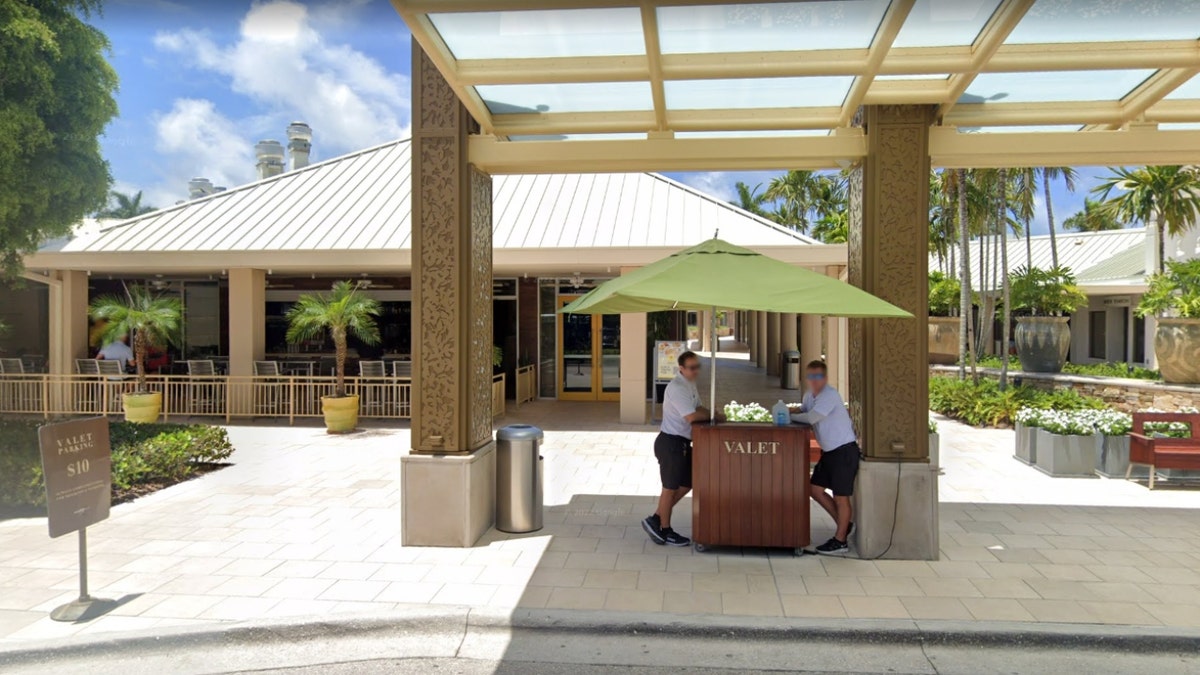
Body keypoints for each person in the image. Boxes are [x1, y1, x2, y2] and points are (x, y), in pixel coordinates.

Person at [791, 360, 860, 556]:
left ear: (826, 378)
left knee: (841, 497)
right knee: (815, 489)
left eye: (819, 376)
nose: (815, 380)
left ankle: (840, 541)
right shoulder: (809, 395)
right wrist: (789, 411)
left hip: (844, 450)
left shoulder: (829, 395)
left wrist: (790, 417)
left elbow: (812, 418)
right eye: (811, 376)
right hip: (829, 452)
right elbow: (804, 411)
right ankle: (844, 526)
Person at [642, 350, 709, 547]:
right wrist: (714, 416)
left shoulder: (690, 384)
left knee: (688, 481)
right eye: (691, 368)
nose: (696, 371)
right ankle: (665, 529)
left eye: (698, 367)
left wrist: (710, 412)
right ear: (681, 368)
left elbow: (700, 408)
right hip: (671, 443)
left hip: (682, 443)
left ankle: (655, 518)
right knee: (669, 488)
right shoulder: (678, 387)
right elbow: (691, 416)